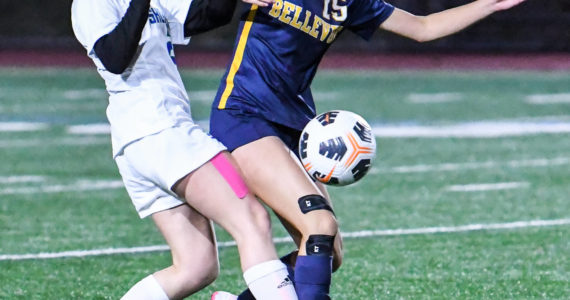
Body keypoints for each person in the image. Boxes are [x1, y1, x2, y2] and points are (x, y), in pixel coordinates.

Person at [208, 0, 526, 299]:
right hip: (243, 114)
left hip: (296, 123)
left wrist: (490, 3)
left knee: (328, 252)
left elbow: (423, 27)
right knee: (319, 225)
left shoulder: (348, 3)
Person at [71, 0, 300, 299]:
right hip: (163, 133)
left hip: (145, 142)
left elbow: (206, 15)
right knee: (252, 220)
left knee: (196, 266)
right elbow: (114, 57)